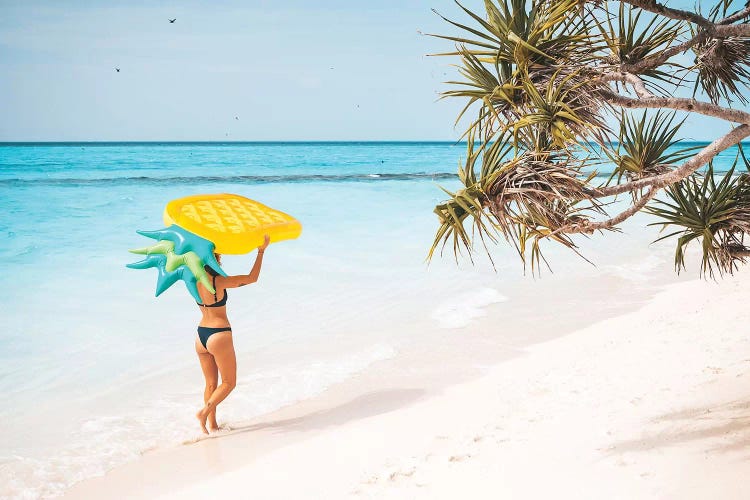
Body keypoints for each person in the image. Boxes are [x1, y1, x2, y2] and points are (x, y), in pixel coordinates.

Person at [194, 235, 270, 434]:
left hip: (201, 335)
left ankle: (212, 425)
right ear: (215, 260)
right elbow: (252, 278)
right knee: (229, 383)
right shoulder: (219, 282)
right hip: (219, 334)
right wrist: (261, 251)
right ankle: (204, 413)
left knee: (210, 384)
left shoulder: (194, 281)